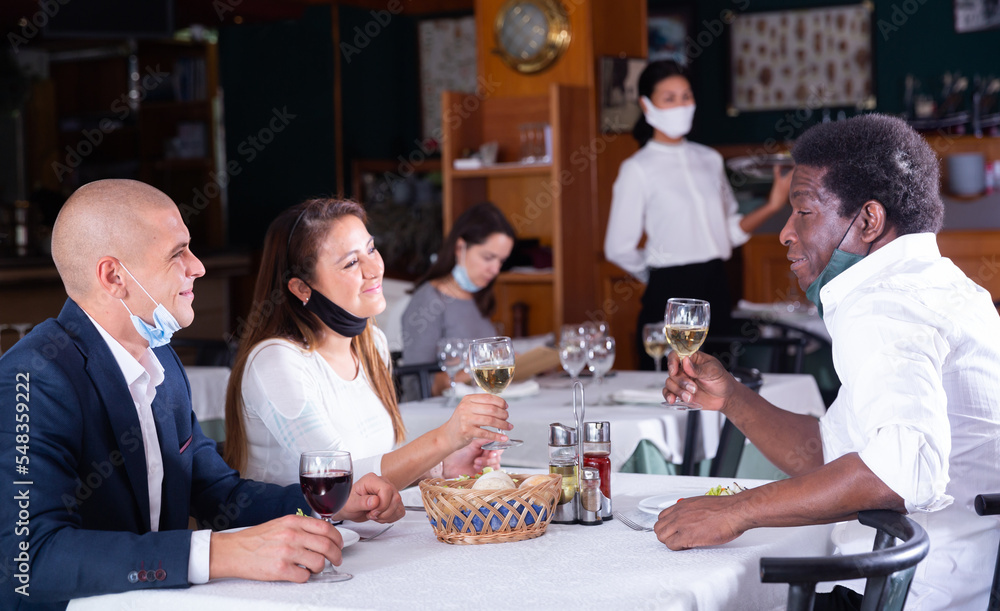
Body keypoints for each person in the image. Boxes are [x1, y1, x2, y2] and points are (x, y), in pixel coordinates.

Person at [0, 180, 404, 611]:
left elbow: (219, 494)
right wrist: (222, 553)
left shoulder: (163, 363)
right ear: (115, 277)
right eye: (178, 253)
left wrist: (330, 504)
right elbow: (30, 561)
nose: (198, 267)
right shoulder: (32, 377)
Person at [656, 114, 1000, 610]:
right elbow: (838, 459)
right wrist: (732, 397)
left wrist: (737, 511)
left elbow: (899, 473)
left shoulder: (884, 304)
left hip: (907, 594)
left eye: (804, 212)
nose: (785, 234)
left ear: (867, 221)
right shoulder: (950, 288)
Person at [223, 198, 511, 490]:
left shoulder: (371, 343)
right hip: (295, 532)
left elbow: (379, 461)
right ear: (301, 288)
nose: (374, 268)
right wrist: (444, 440)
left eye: (372, 249)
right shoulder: (277, 361)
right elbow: (338, 481)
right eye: (351, 262)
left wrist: (442, 465)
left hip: (360, 532)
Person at [603, 60, 792, 369]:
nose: (681, 105)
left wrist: (772, 205)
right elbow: (618, 248)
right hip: (668, 293)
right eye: (670, 98)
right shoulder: (637, 168)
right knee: (674, 391)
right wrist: (657, 274)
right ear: (646, 105)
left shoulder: (709, 159)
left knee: (720, 390)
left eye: (686, 96)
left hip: (717, 286)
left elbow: (729, 230)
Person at [401, 201, 516, 396]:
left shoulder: (478, 297)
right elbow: (415, 385)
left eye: (501, 261)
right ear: (460, 248)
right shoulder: (429, 301)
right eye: (488, 258)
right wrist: (477, 370)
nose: (496, 270)